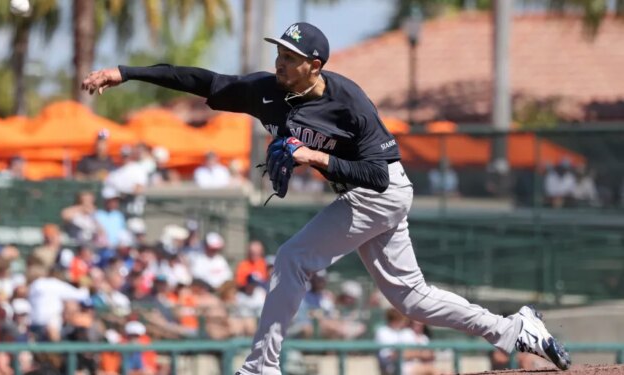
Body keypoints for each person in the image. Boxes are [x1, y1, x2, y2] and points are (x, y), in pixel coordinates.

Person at [80, 21, 571, 374]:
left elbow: (379, 176)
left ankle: (259, 367)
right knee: (412, 300)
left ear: (314, 65)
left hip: (381, 190)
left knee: (292, 257)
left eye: (289, 58)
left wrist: (317, 161)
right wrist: (127, 72)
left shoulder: (349, 102)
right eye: (278, 53)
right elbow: (200, 79)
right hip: (364, 196)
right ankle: (515, 330)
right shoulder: (265, 91)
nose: (279, 62)